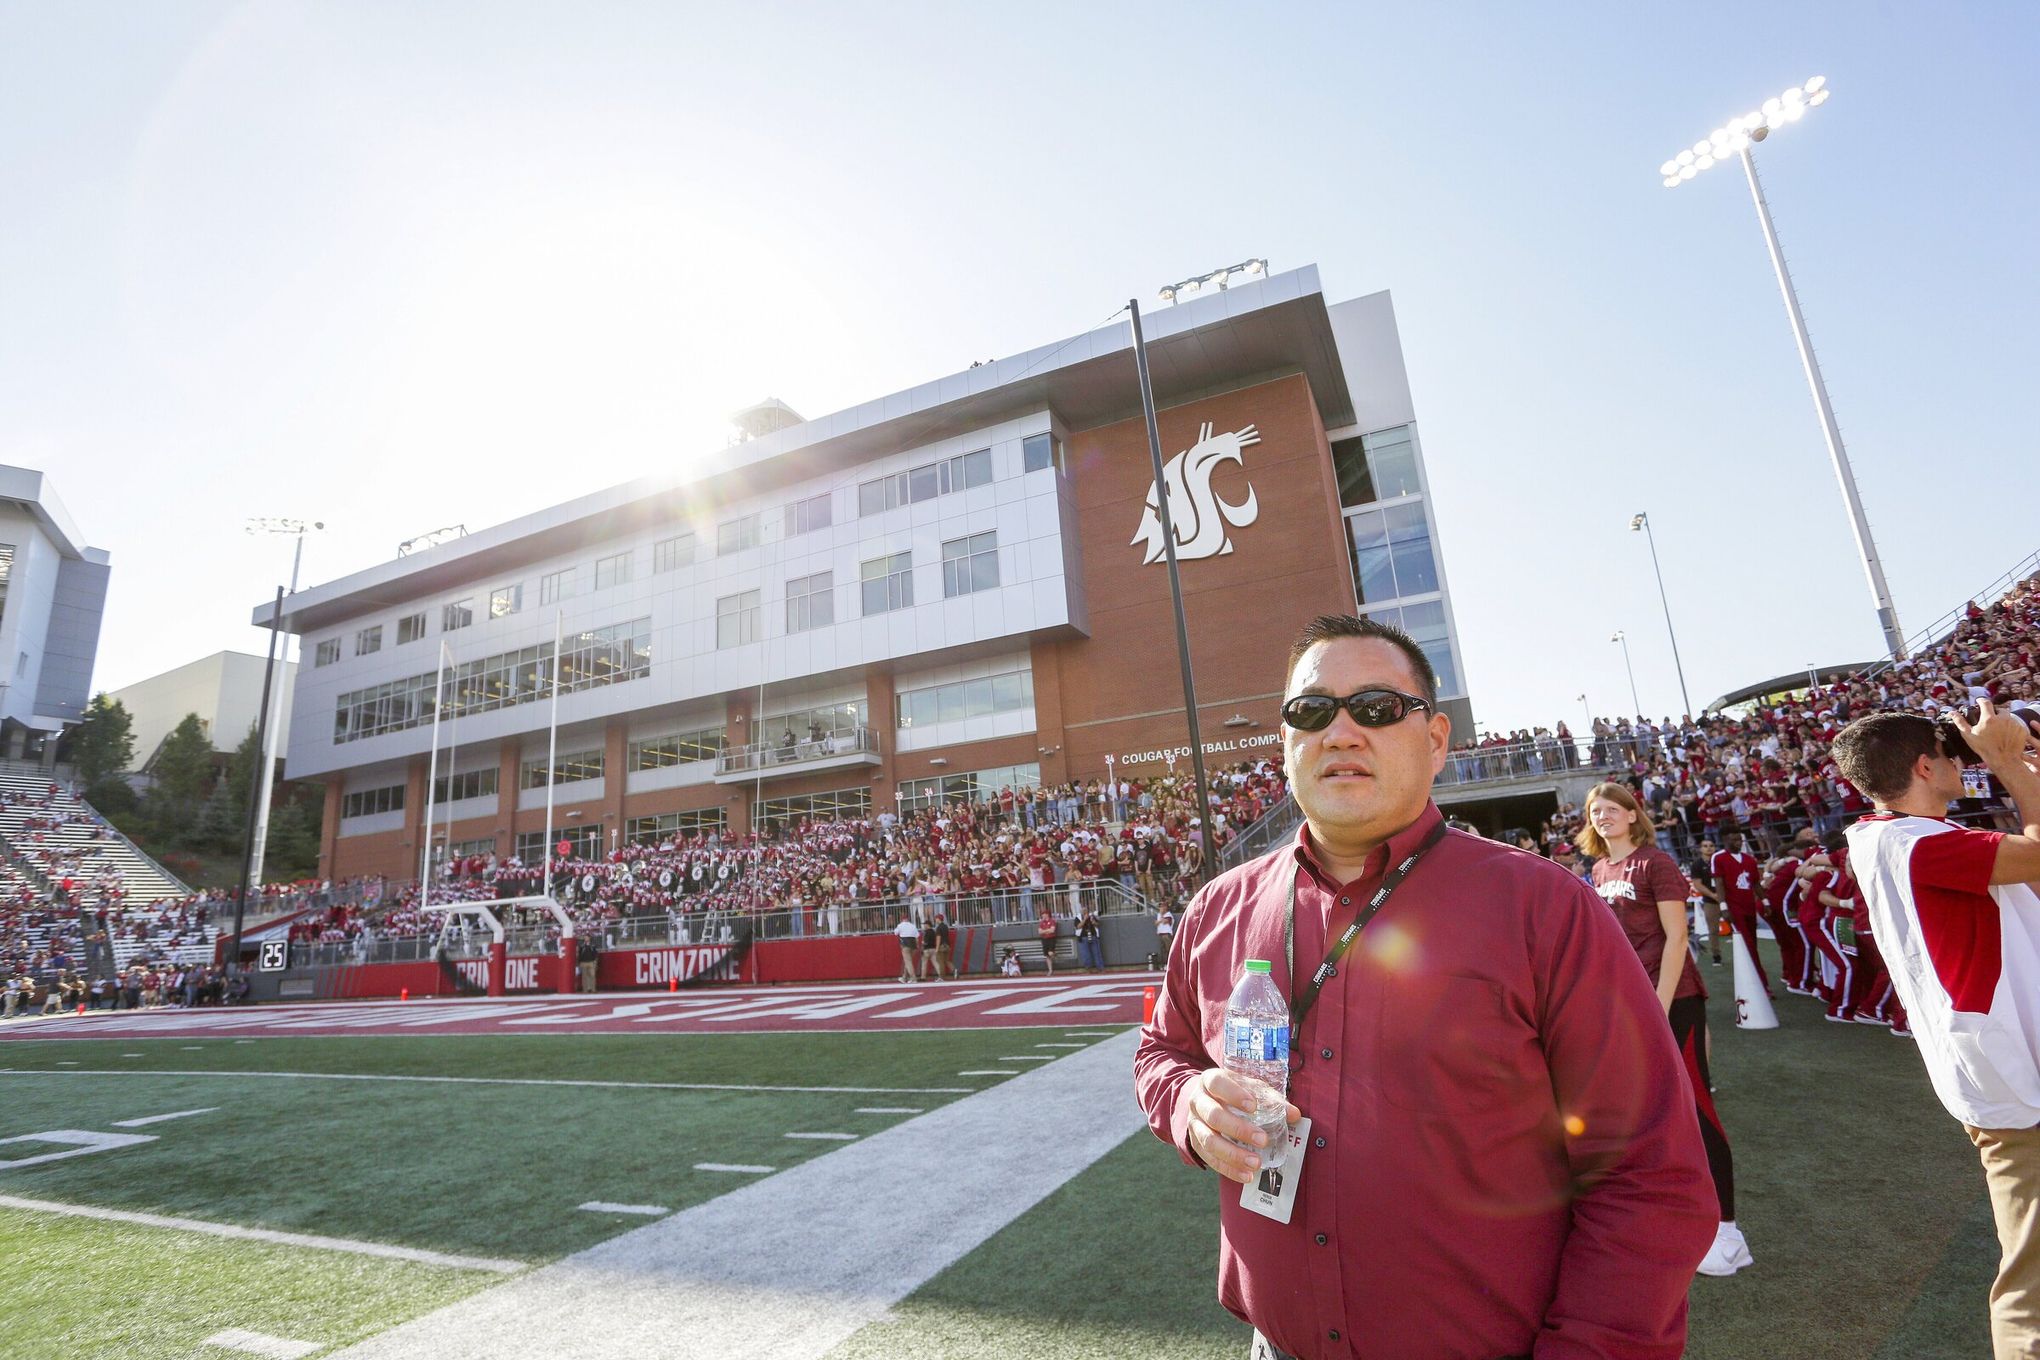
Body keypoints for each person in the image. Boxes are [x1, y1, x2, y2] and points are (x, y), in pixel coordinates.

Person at [1135, 614, 1715, 1360]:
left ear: (1437, 739)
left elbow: (1648, 1171)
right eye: (1311, 712)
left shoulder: (1545, 908)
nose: (1341, 733)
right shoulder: (1217, 909)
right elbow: (1161, 1052)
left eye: (1375, 708)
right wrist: (1188, 1104)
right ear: (1285, 743)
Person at [1835, 702, 2040, 1359]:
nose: (1962, 762)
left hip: (1993, 1059)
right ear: (1925, 767)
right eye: (1949, 755)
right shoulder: (1917, 843)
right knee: (2031, 1279)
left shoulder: (1883, 835)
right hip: (2008, 1074)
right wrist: (2008, 762)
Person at [1579, 781, 1750, 1277]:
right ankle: (1678, 1215)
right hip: (1632, 1004)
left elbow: (1677, 939)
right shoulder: (1599, 868)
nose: (1603, 816)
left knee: (1695, 1103)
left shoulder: (1656, 863)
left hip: (1673, 999)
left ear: (1634, 815)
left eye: (1612, 809)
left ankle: (1729, 1232)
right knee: (1650, 1110)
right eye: (1596, 811)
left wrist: (1659, 1002)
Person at [893, 912, 919, 983]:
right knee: (908, 961)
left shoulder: (900, 925)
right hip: (913, 944)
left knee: (908, 962)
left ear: (901, 919)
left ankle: (913, 978)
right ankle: (904, 977)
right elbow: (917, 937)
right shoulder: (913, 925)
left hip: (905, 944)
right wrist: (917, 946)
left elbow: (895, 933)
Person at [1035, 902, 1058, 975]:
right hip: (1044, 939)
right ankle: (1050, 970)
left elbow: (1052, 930)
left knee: (1050, 953)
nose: (1042, 915)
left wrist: (1044, 931)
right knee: (1047, 955)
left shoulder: (1052, 921)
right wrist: (1047, 931)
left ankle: (1054, 954)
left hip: (1051, 938)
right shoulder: (1042, 922)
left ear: (1047, 914)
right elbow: (1039, 932)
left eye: (1043, 914)